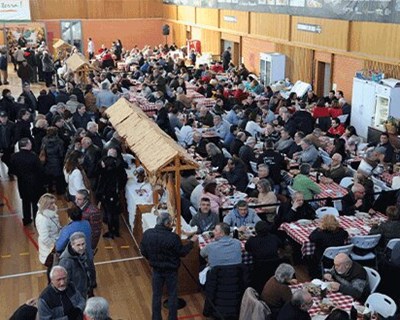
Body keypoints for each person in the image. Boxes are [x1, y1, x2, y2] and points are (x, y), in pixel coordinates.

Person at [140, 211, 198, 320]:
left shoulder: (147, 234)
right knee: (172, 295)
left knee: (156, 295)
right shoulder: (173, 237)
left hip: (156, 269)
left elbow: (143, 251)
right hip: (171, 271)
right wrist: (191, 242)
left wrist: (152, 259)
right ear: (167, 224)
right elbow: (182, 252)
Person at [9, 138, 45, 225]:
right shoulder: (33, 156)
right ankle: (37, 220)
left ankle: (26, 219)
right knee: (35, 202)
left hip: (21, 182)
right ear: (27, 145)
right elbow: (40, 170)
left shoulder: (14, 156)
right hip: (34, 182)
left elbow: (11, 170)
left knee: (25, 201)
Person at [96, 155, 127, 238]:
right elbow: (123, 178)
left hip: (107, 194)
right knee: (115, 213)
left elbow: (101, 181)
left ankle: (111, 231)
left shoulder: (105, 172)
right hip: (114, 194)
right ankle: (116, 230)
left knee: (109, 213)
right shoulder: (117, 170)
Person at [59, 232, 93, 300]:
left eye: (83, 244)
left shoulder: (83, 251)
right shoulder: (65, 262)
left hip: (84, 290)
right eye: (78, 245)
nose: (81, 247)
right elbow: (64, 283)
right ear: (72, 245)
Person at [35, 193, 61, 270]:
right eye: (51, 203)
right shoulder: (43, 219)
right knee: (52, 269)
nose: (54, 205)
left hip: (55, 244)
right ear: (45, 205)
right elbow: (45, 238)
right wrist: (54, 247)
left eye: (54, 202)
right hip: (49, 250)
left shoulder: (50, 214)